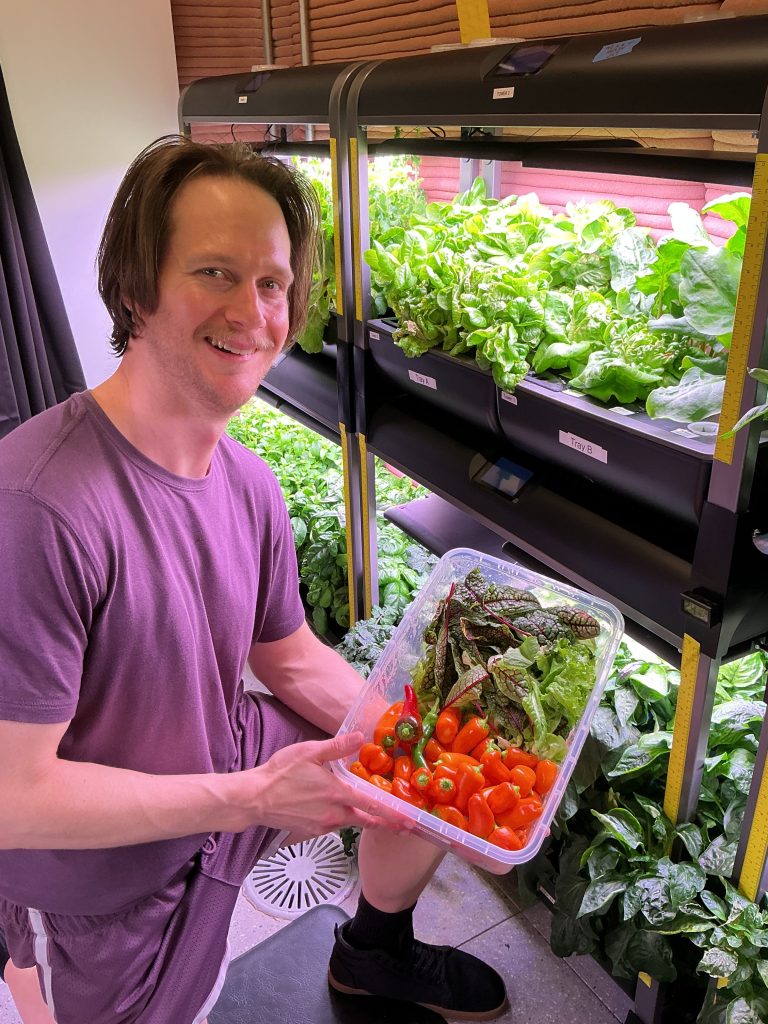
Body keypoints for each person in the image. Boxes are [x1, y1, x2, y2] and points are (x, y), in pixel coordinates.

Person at [0, 135, 508, 1024]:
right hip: (98, 886)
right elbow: (13, 798)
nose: (252, 311)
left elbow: (289, 656)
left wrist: (435, 758)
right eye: (214, 273)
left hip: (216, 779)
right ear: (136, 289)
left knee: (400, 776)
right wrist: (251, 799)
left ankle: (374, 953)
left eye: (272, 283)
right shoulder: (38, 506)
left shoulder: (247, 481)